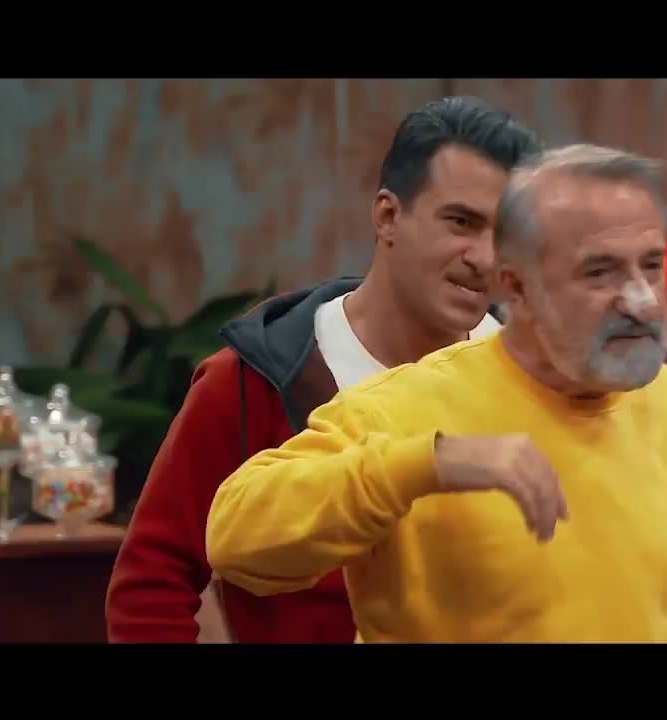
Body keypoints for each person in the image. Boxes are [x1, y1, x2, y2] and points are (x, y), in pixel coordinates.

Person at [204, 143, 667, 643]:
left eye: (650, 265)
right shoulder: (404, 409)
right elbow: (235, 539)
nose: (642, 302)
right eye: (600, 271)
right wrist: (429, 464)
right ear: (516, 287)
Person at [104, 96, 543, 643]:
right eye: (460, 222)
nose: (484, 258)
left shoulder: (534, 380)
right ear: (388, 216)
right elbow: (151, 584)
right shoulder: (256, 381)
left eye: (503, 235)